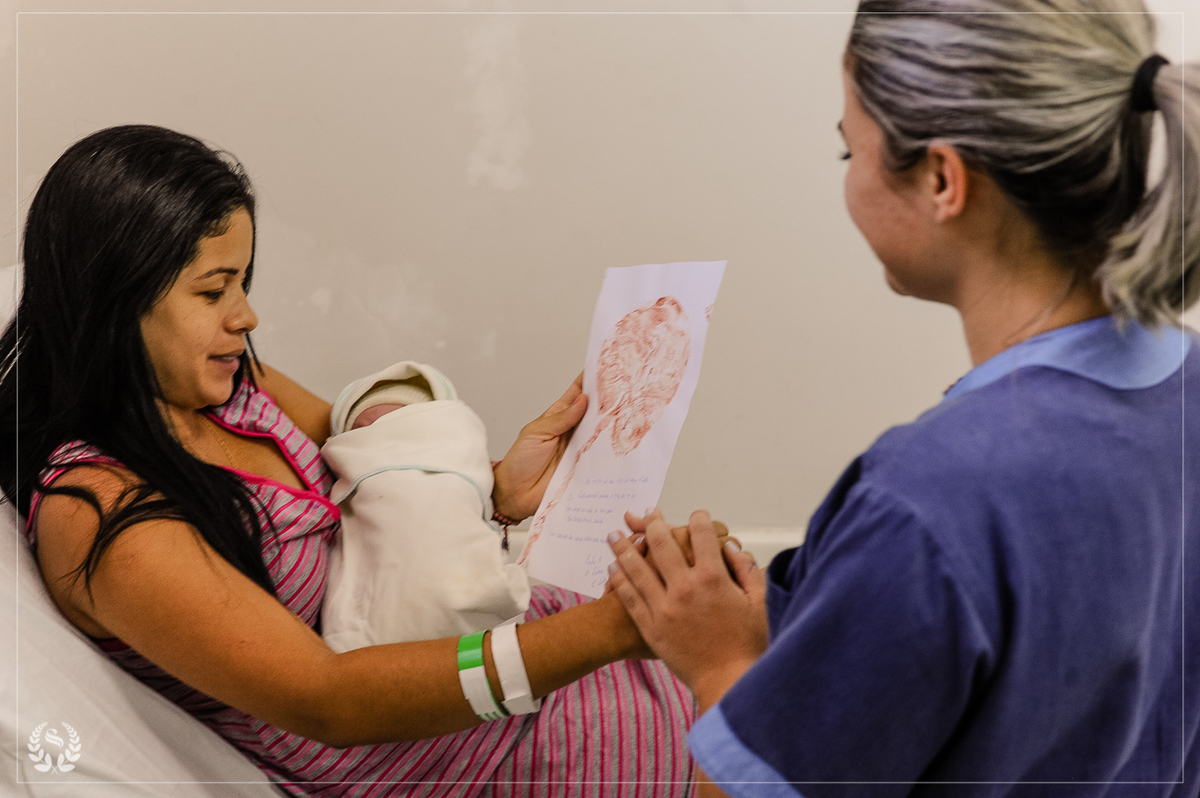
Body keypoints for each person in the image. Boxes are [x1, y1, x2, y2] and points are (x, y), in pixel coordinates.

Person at [607, 1, 1200, 796]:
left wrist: (723, 666)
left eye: (849, 149)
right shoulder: (1179, 386)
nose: (850, 177)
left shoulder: (931, 499)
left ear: (942, 179)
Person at [0, 124, 698, 796]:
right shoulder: (103, 516)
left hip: (522, 657)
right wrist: (610, 630)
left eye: (242, 283)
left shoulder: (226, 384)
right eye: (213, 291)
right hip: (451, 758)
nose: (245, 318)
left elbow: (374, 462)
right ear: (114, 301)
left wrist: (495, 487)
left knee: (765, 654)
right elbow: (328, 702)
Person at [320, 360, 532, 652]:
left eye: (405, 421)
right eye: (366, 429)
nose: (387, 433)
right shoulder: (359, 473)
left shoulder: (453, 458)